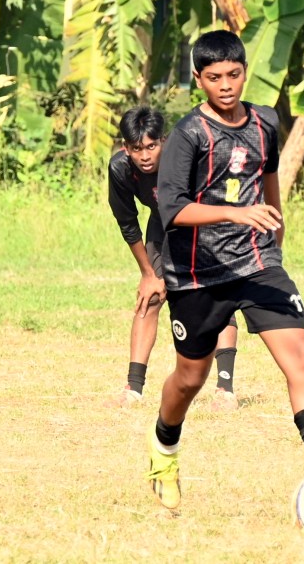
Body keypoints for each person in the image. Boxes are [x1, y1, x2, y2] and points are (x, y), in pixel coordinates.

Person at [146, 30, 304, 513]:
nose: (225, 85)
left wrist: (275, 230)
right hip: (197, 274)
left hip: (258, 264)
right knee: (190, 379)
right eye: (214, 77)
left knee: (300, 356)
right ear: (198, 79)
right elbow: (172, 209)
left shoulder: (265, 121)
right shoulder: (188, 134)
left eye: (234, 74)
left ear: (245, 72)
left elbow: (269, 176)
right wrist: (237, 213)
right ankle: (164, 450)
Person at [106, 106, 242, 411]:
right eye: (136, 149)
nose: (144, 156)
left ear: (164, 142)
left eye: (151, 146)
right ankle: (133, 389)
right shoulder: (120, 169)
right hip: (164, 224)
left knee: (216, 299)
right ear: (125, 148)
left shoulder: (186, 158)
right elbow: (128, 223)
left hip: (207, 224)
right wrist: (148, 274)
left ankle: (225, 389)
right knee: (150, 297)